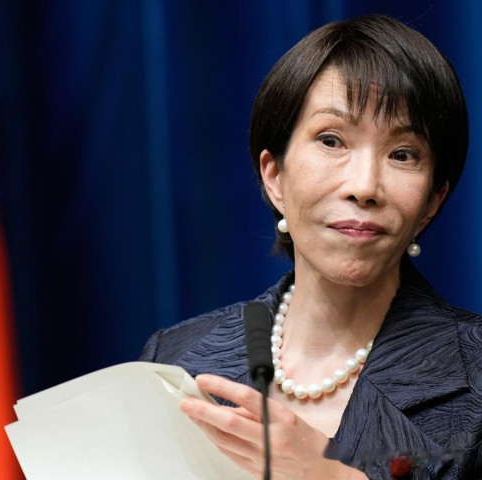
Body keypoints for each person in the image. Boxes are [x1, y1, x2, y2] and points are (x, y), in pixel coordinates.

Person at [140, 14, 481, 480]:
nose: (364, 186)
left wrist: (331, 476)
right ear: (274, 176)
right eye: (331, 140)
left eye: (402, 154)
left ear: (432, 201)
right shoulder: (175, 359)